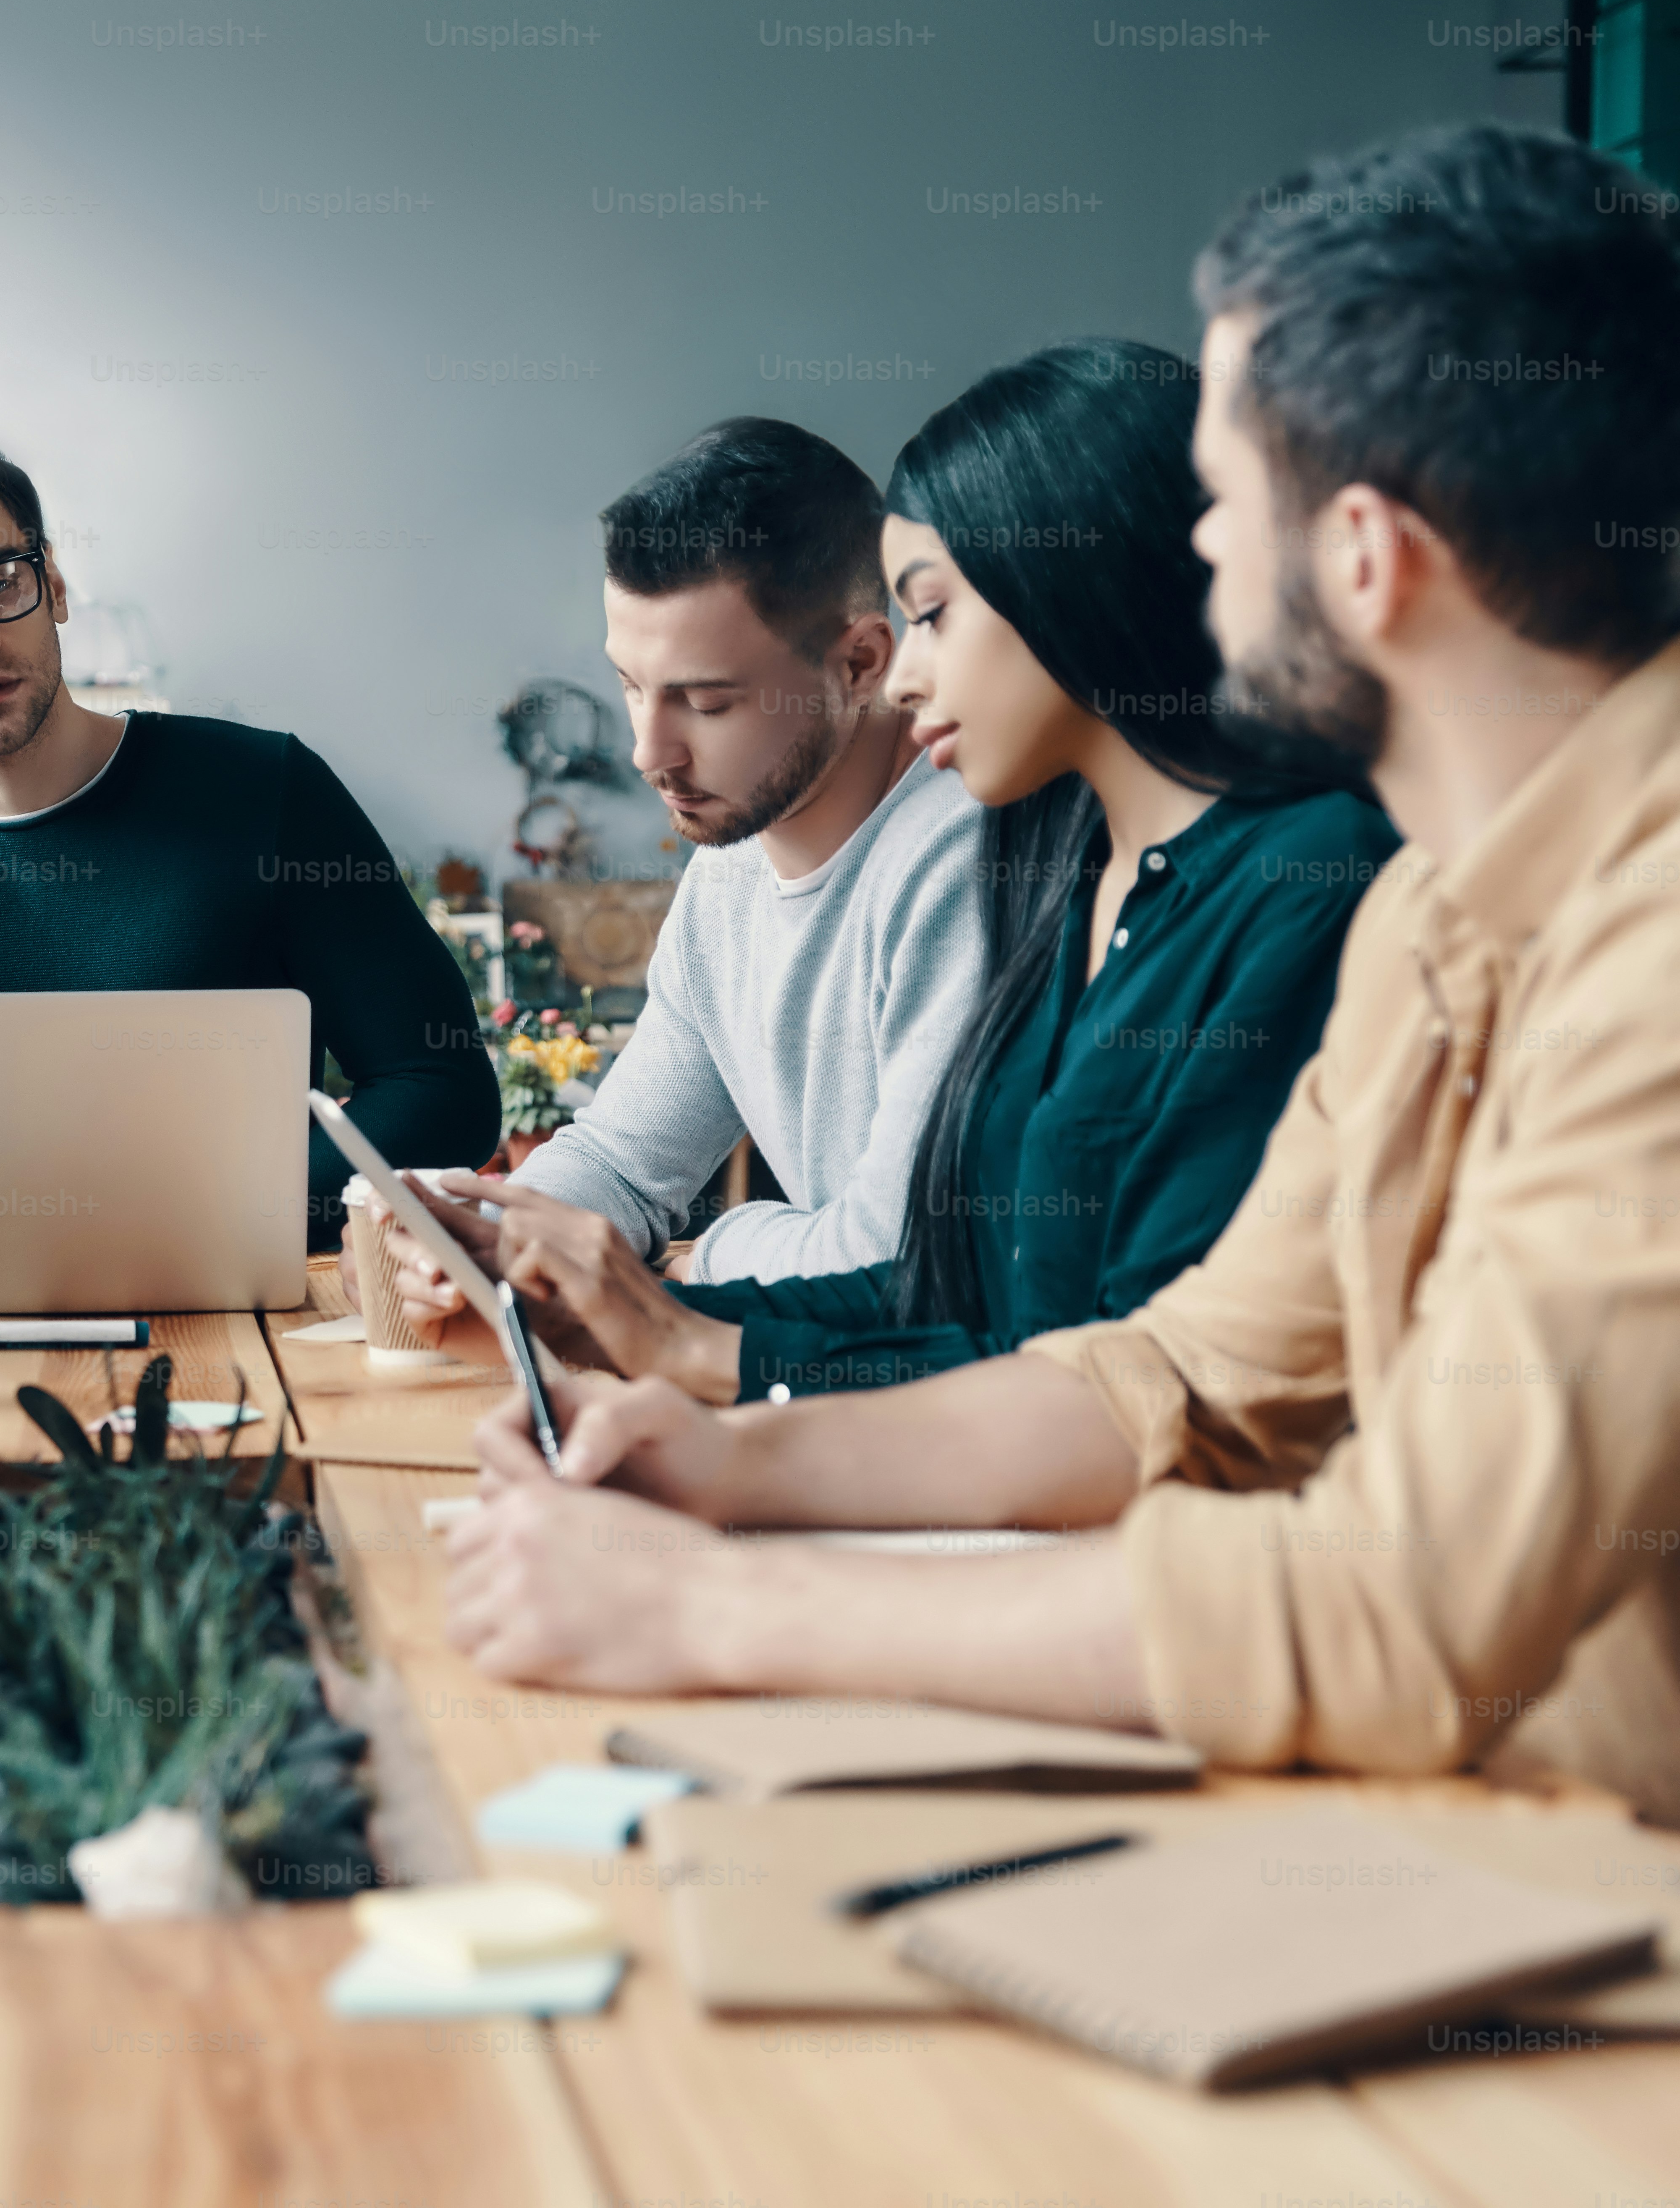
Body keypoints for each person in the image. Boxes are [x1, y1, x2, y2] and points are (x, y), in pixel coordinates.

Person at [440, 126, 1680, 1826]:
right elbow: (1176, 1376)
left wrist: (717, 1605)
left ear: (1364, 559)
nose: (1193, 557)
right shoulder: (1437, 909)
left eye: (1224, 507)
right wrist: (733, 1459)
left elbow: (1405, 1613)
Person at [391, 343, 1397, 1402]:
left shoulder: (1051, 858)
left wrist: (690, 1291)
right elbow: (1011, 1323)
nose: (648, 753)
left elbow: (1012, 1323)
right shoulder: (1085, 875)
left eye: (933, 615)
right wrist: (532, 1254)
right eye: (630, 688)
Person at [0, 415, 497, 1244]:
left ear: (55, 585)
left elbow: (443, 1091)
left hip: (243, 1308)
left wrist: (202, 1218)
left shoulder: (266, 793)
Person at [478, 420, 992, 1286]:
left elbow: (902, 1256)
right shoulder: (729, 867)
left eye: (707, 703)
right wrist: (489, 1233)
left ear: (861, 663)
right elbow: (621, 1162)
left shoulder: (963, 865)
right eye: (631, 686)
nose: (649, 753)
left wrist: (704, 1262)